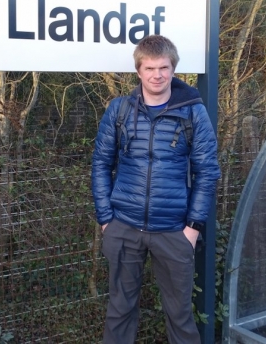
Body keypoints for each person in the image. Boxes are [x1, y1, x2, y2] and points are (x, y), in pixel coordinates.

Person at [91, 35, 221, 344]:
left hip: (174, 231)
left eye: (163, 67)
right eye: (149, 68)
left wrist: (192, 227)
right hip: (123, 226)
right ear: (139, 70)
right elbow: (100, 164)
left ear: (173, 69)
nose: (157, 75)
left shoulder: (192, 113)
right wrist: (107, 219)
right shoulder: (119, 110)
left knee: (179, 315)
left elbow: (207, 171)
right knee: (119, 311)